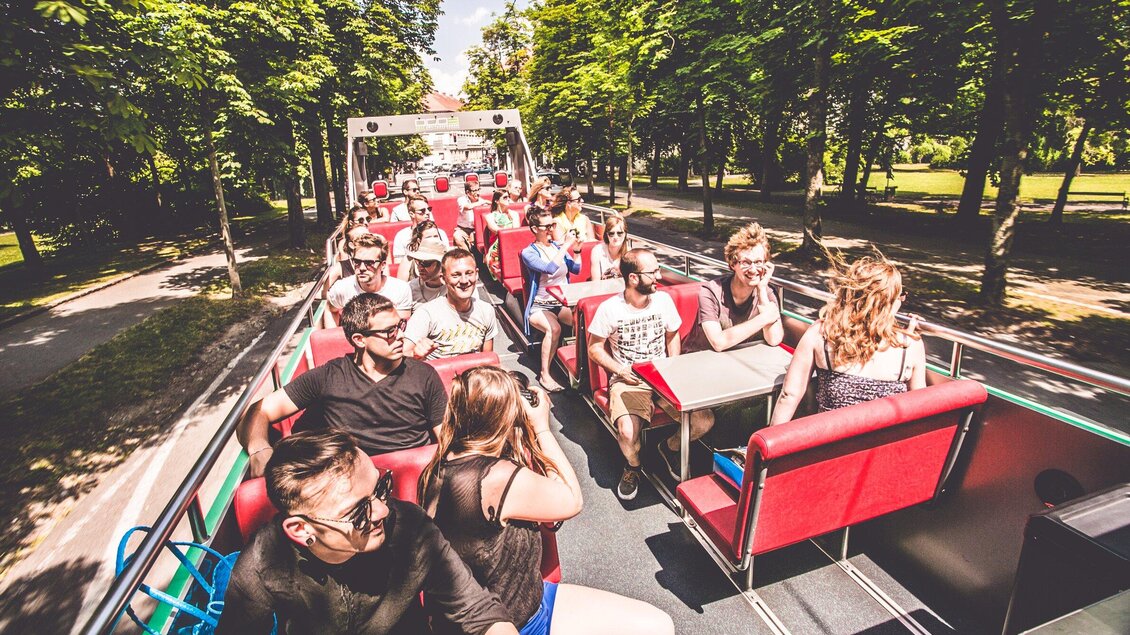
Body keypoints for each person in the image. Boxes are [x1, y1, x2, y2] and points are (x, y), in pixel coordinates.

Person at [418, 367, 674, 635]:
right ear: (504, 418)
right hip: (515, 622)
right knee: (658, 628)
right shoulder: (495, 477)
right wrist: (542, 429)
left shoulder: (440, 466)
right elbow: (571, 500)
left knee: (655, 624)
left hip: (526, 598)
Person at [217, 430, 518, 635]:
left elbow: (477, 610)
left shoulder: (411, 528)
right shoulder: (264, 563)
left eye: (381, 488)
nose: (383, 511)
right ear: (301, 529)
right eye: (358, 511)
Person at [236, 293, 450, 475]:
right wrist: (259, 449)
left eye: (401, 326)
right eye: (390, 331)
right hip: (349, 482)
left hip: (414, 476)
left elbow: (446, 438)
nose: (401, 335)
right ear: (359, 340)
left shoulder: (424, 375)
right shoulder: (328, 377)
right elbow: (259, 410)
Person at [587, 249, 692, 500]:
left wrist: (673, 367)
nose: (659, 276)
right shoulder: (610, 309)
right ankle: (633, 466)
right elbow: (594, 348)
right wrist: (620, 370)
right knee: (627, 434)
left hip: (663, 377)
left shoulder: (664, 301)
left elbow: (672, 335)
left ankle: (669, 447)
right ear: (633, 278)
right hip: (629, 379)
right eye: (653, 272)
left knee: (704, 422)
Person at [770, 256, 926, 425]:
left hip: (830, 436)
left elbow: (789, 395)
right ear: (890, 302)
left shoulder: (822, 333)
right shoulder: (910, 346)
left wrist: (770, 439)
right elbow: (920, 407)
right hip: (884, 440)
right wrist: (907, 335)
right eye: (900, 295)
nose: (901, 301)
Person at [684, 222, 784, 353]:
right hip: (698, 356)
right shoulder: (710, 292)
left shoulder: (768, 292)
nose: (753, 269)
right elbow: (718, 343)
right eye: (746, 262)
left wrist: (762, 290)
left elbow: (774, 339)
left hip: (739, 356)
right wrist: (765, 318)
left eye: (758, 262)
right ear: (732, 264)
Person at [520, 207, 580, 393]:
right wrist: (565, 245)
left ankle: (579, 368)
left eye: (552, 225)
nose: (551, 229)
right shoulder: (528, 253)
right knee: (554, 329)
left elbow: (576, 269)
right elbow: (549, 269)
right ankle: (544, 374)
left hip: (560, 303)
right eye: (546, 226)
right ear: (534, 229)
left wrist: (577, 250)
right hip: (540, 306)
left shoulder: (556, 247)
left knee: (583, 323)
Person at [403, 248, 499, 360]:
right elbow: (403, 354)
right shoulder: (426, 314)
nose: (464, 281)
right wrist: (415, 355)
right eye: (456, 275)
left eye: (469, 273)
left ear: (476, 275)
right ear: (443, 279)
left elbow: (488, 360)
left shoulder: (486, 311)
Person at [327, 234, 413, 318]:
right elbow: (330, 309)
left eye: (369, 263)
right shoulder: (341, 288)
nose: (362, 268)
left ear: (382, 265)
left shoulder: (400, 290)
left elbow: (402, 323)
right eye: (357, 262)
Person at [393, 194, 450, 261]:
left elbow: (447, 258)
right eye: (422, 211)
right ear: (412, 214)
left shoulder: (440, 233)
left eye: (429, 209)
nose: (428, 212)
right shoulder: (401, 236)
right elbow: (398, 261)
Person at [323, 222, 371, 295]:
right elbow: (325, 294)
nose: (368, 240)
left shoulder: (378, 263)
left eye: (369, 236)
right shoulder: (340, 268)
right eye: (362, 238)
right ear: (351, 245)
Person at [485, 190, 523, 280]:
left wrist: (513, 219)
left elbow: (516, 231)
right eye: (505, 198)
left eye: (508, 197)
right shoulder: (490, 216)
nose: (508, 199)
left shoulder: (514, 214)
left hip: (512, 244)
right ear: (497, 201)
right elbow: (496, 230)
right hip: (497, 246)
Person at [406, 237, 448, 307]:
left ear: (441, 263)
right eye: (417, 261)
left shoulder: (453, 288)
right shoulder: (410, 289)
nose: (420, 267)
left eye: (426, 263)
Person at [550, 187, 594, 252]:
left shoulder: (585, 219)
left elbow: (592, 242)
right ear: (569, 203)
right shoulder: (556, 222)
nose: (582, 201)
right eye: (578, 199)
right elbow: (561, 248)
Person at [590, 215, 628, 280]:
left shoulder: (630, 254)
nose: (615, 237)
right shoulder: (597, 251)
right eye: (611, 233)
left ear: (625, 234)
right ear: (607, 234)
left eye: (619, 233)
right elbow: (596, 282)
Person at [454, 181, 484, 252]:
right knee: (457, 237)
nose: (478, 193)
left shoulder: (482, 201)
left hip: (477, 230)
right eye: (474, 191)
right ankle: (468, 256)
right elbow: (467, 207)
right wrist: (482, 202)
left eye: (478, 189)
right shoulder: (461, 200)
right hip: (463, 229)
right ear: (467, 192)